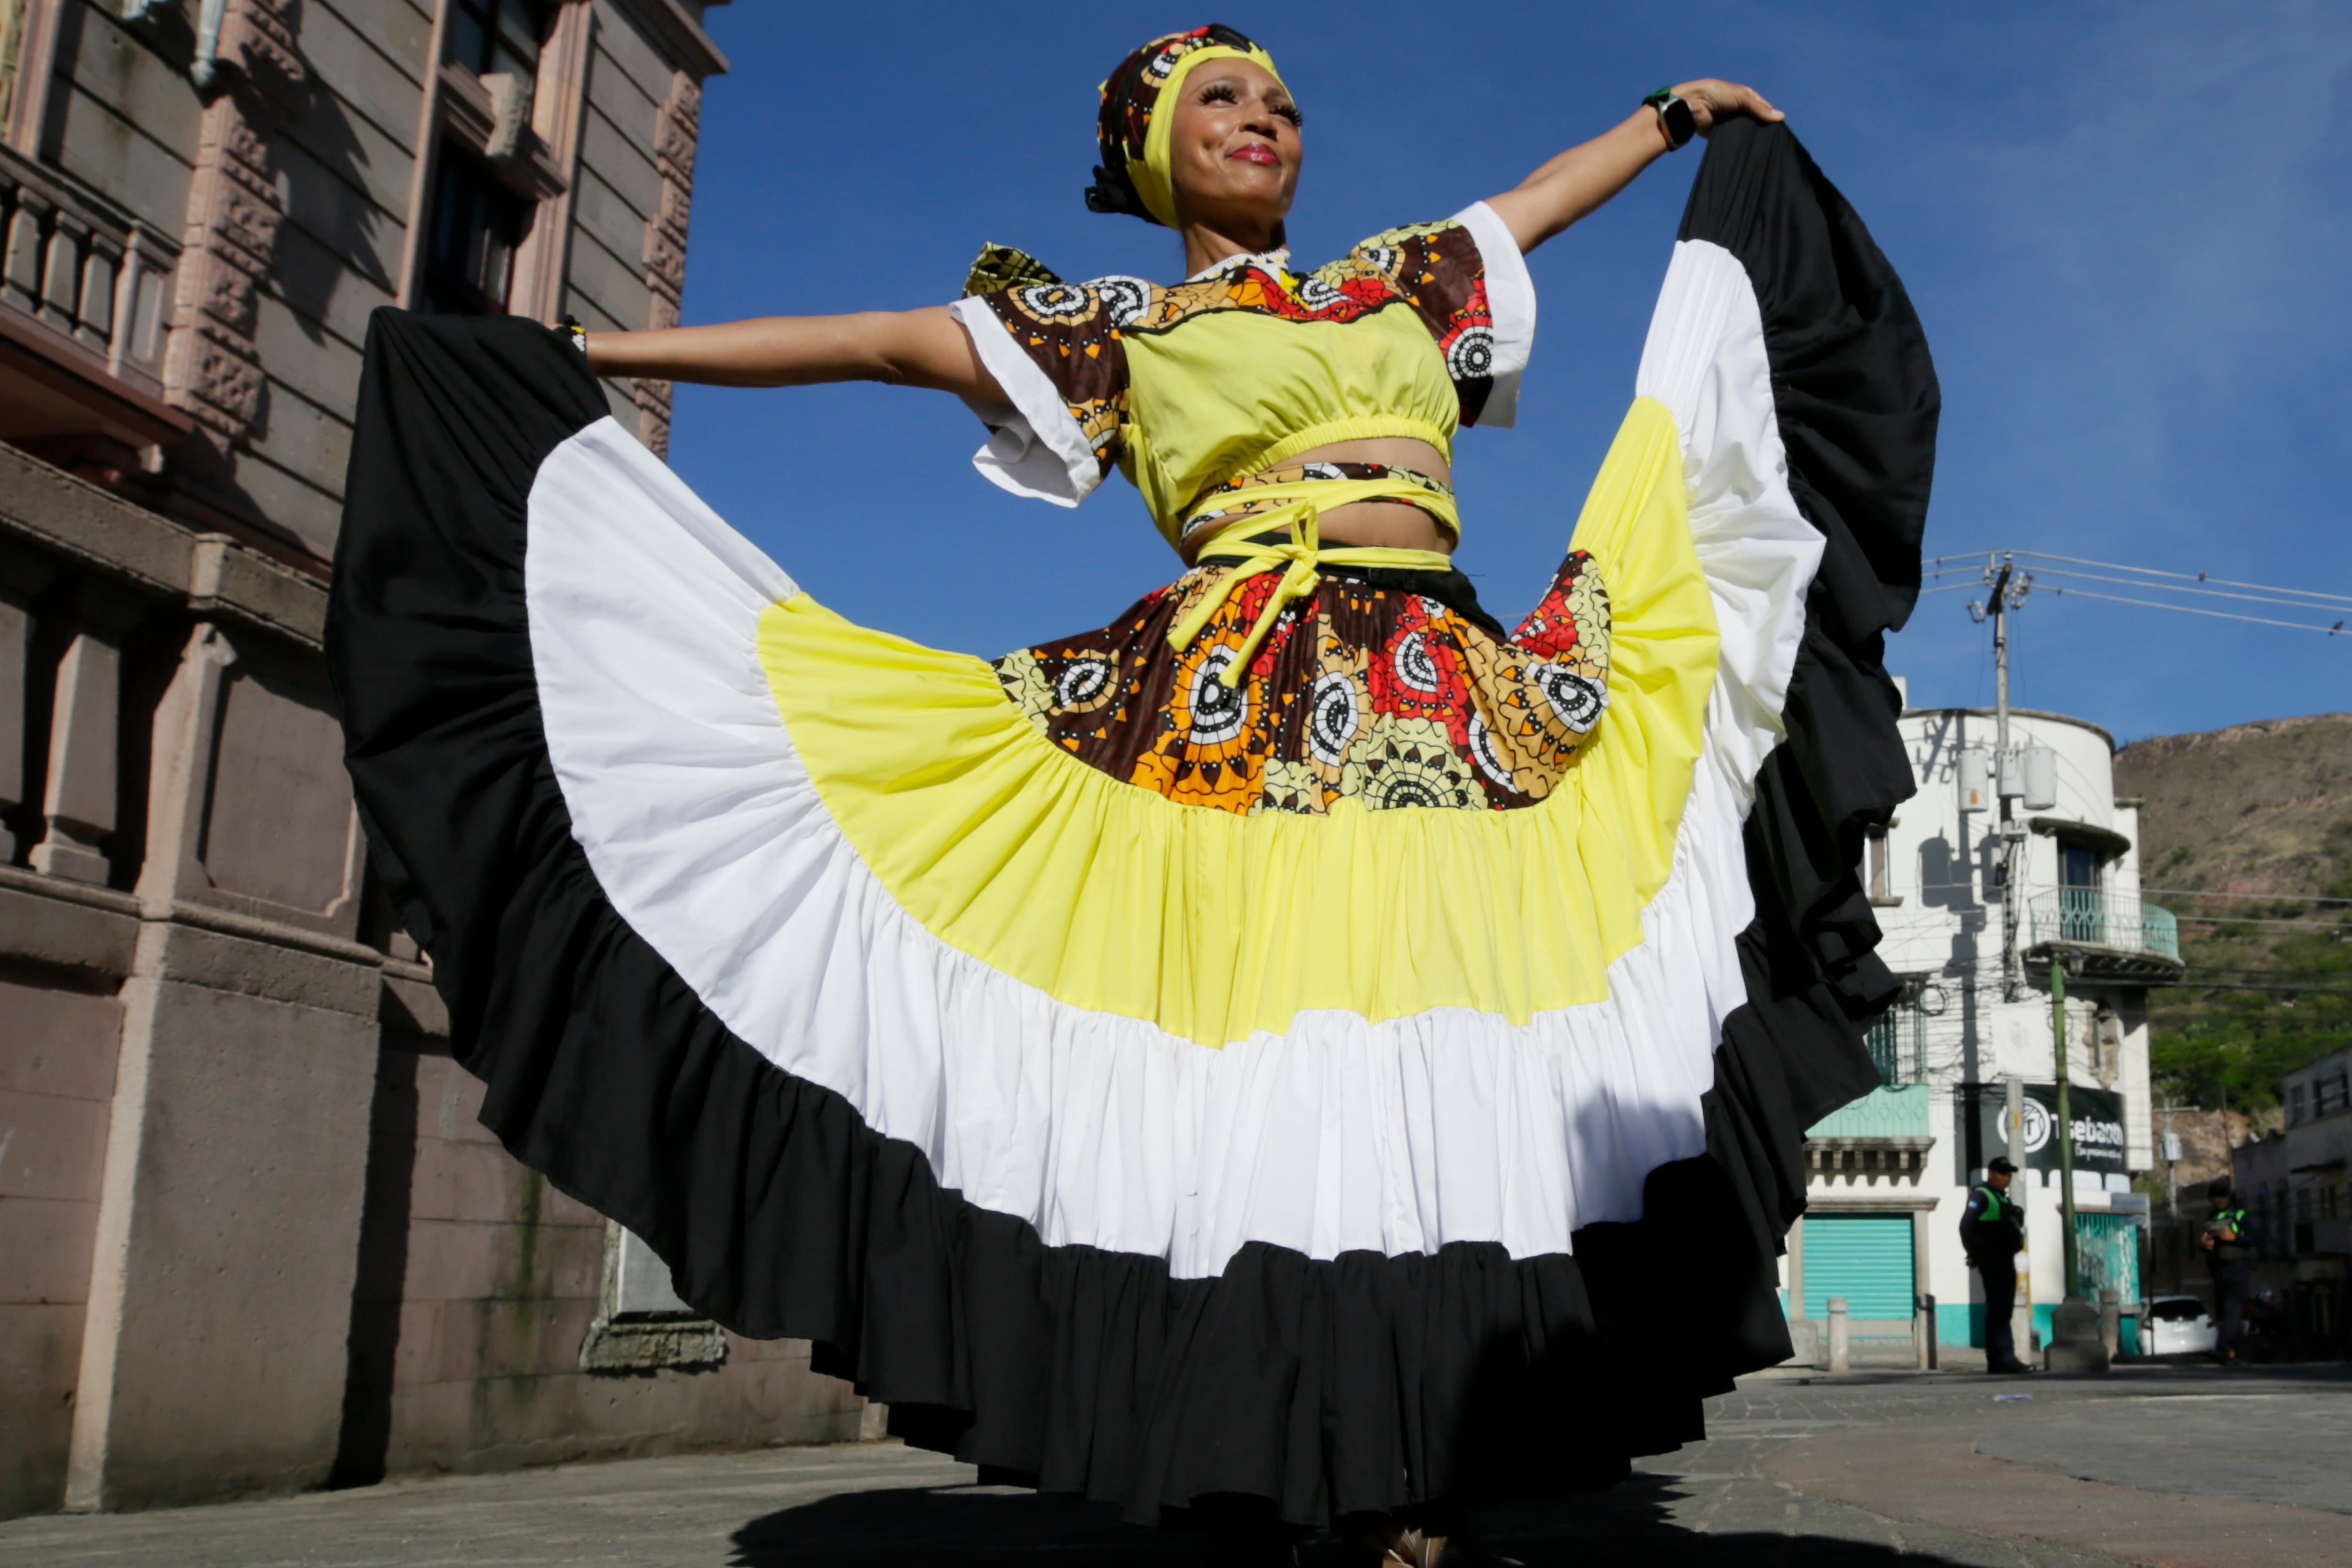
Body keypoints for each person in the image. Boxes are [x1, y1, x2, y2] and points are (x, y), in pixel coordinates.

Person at [328, 25, 1934, 1565]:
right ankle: (1265, 1466)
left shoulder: (1399, 278)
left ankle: (1412, 1473)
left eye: (1284, 103)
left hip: (1447, 702)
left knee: (1427, 1073)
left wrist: (1670, 120)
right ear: (1159, 155)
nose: (1266, 120)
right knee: (1263, 1092)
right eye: (1225, 102)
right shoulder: (1109, 324)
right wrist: (589, 351)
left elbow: (1538, 202)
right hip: (1214, 721)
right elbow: (873, 343)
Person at [1961, 1156, 2032, 1373]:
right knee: (2000, 1310)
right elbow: (1966, 1226)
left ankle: (1997, 1361)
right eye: (2003, 1174)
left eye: (2010, 1175)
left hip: (2004, 1258)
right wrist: (1975, 1253)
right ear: (1991, 1174)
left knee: (2002, 1310)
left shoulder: (2001, 1198)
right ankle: (2006, 1359)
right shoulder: (1982, 1196)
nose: (2007, 1179)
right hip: (1993, 1260)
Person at [2201, 1177, 2253, 1366]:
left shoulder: (2239, 1215)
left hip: (2237, 1268)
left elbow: (2254, 1239)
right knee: (2226, 1313)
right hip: (2218, 1270)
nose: (2219, 1200)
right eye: (2215, 1197)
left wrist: (2235, 1237)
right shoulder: (2210, 1218)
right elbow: (2204, 1244)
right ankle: (2239, 1353)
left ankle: (2222, 1347)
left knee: (2233, 1309)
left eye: (2223, 1196)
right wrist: (2204, 1245)